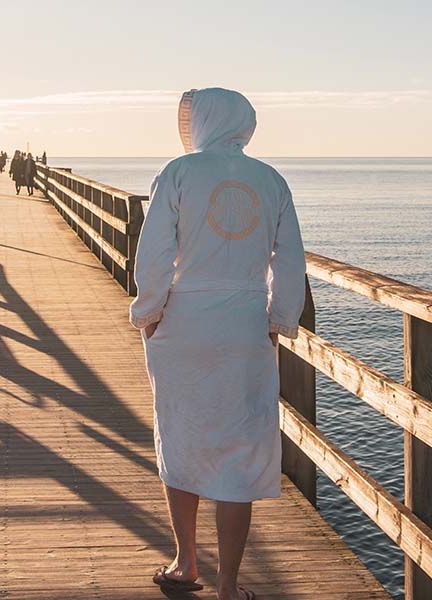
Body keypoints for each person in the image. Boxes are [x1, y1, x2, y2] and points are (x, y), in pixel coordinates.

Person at [130, 88, 306, 600]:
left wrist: (148, 311)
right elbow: (289, 261)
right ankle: (228, 586)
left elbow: (156, 251)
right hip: (247, 324)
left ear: (202, 121)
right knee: (240, 447)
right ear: (243, 124)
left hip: (183, 321)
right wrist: (280, 318)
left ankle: (186, 561)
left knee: (180, 433)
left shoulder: (179, 172)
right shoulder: (271, 180)